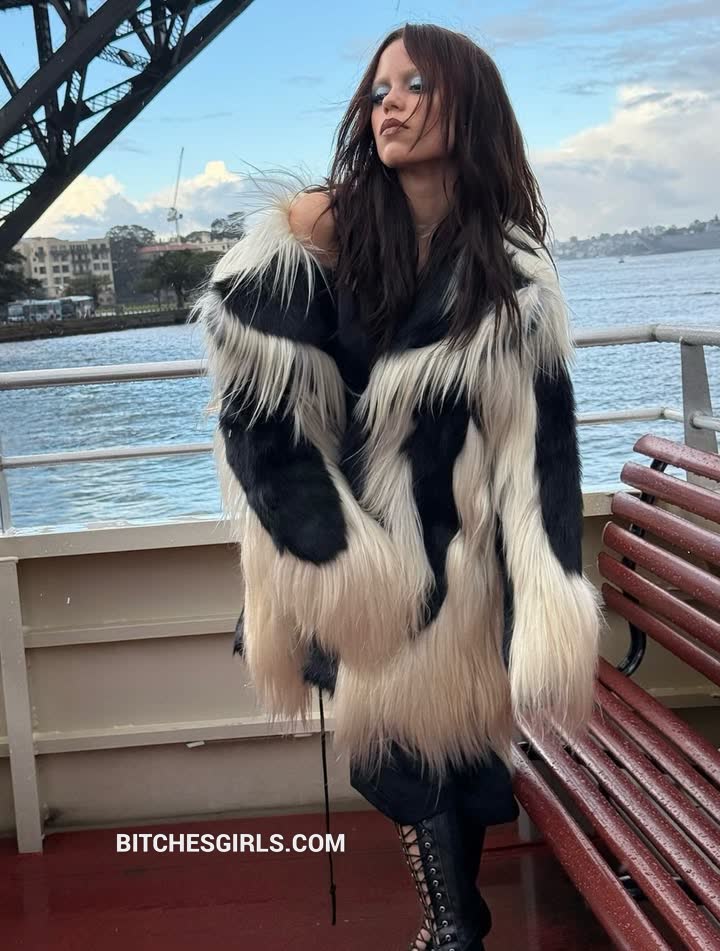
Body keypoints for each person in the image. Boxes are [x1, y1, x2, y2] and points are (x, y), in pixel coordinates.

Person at [195, 22, 601, 951]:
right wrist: (331, 556)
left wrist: (546, 588)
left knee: (449, 745)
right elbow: (257, 411)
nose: (393, 106)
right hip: (341, 547)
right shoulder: (323, 233)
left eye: (416, 85)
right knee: (395, 751)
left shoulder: (511, 271)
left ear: (471, 104)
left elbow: (544, 444)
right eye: (380, 91)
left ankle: (453, 926)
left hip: (461, 551)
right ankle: (455, 924)